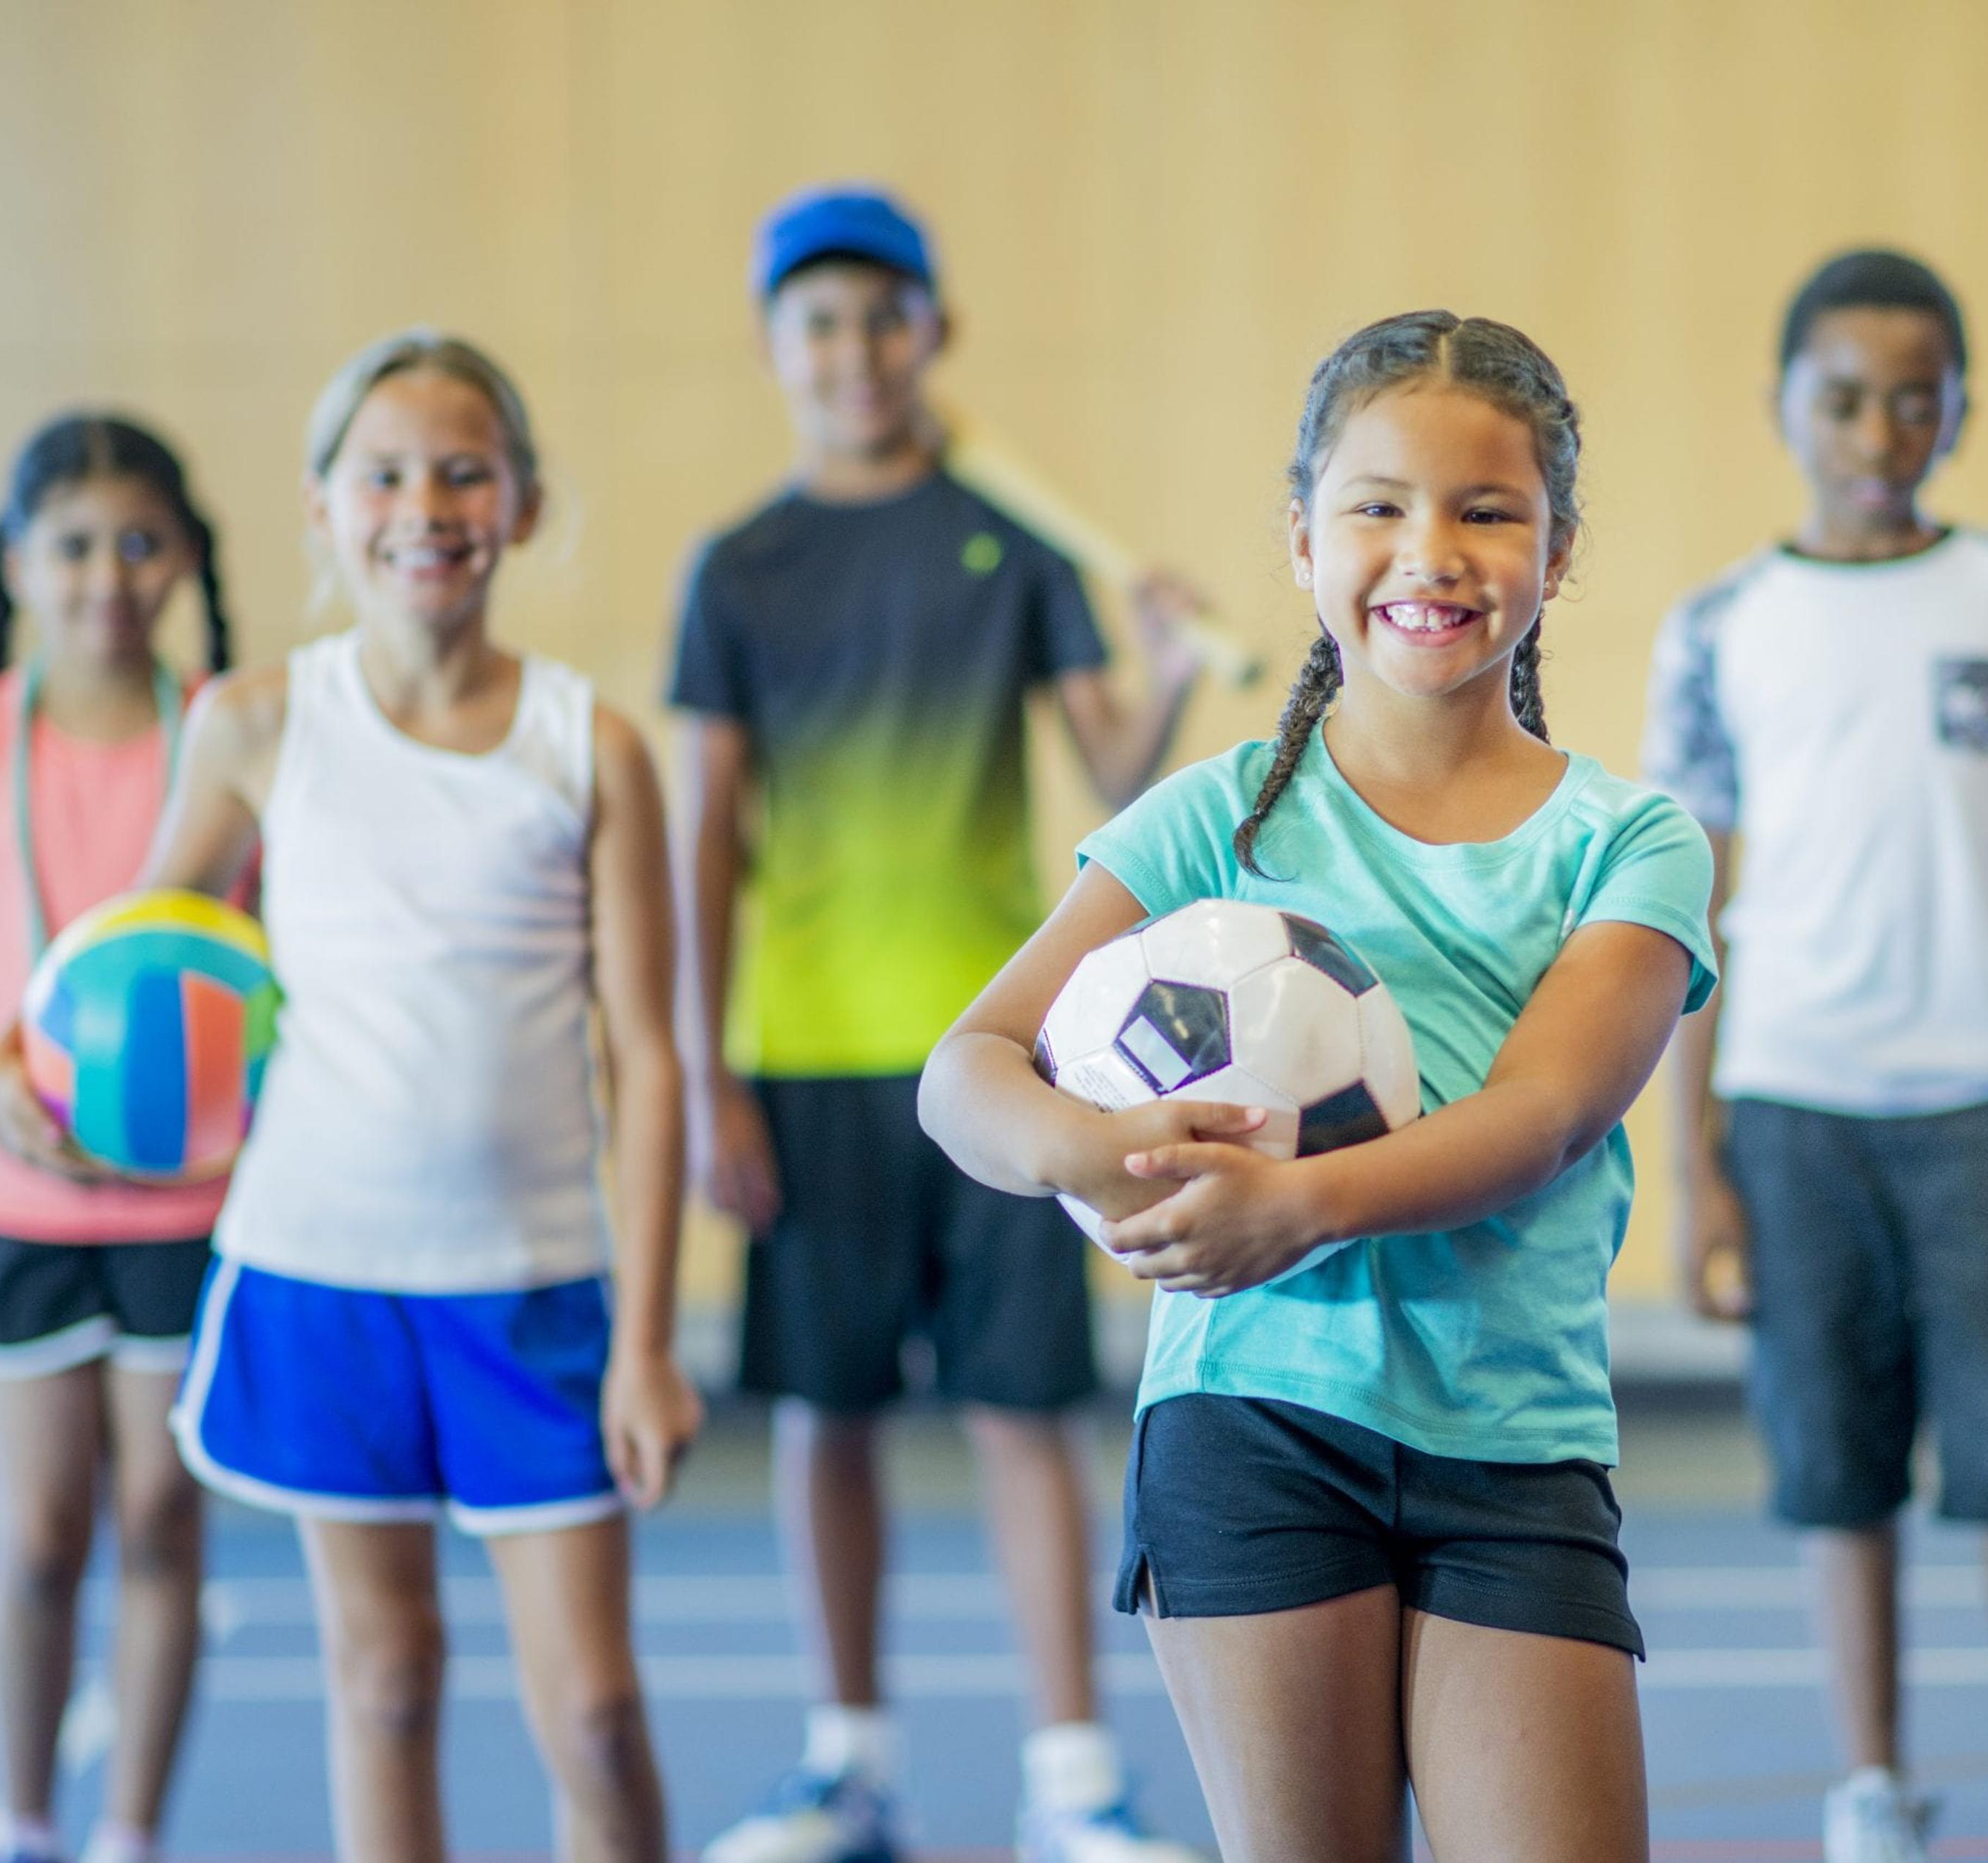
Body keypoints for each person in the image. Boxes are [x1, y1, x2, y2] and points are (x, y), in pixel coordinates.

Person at [919, 310, 1720, 1863]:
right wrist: (1096, 1149)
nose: (1432, 550)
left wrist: (1299, 1205)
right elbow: (966, 1073)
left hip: (1513, 1441)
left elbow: (1543, 1117)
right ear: (1302, 542)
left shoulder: (1631, 844)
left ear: (1557, 556)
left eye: (1489, 511)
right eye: (1379, 506)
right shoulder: (1208, 821)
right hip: (1253, 1425)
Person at [27, 332, 704, 1861]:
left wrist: (650, 1341)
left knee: (592, 1709)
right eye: (383, 473)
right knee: (384, 1679)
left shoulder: (587, 747)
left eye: (466, 469)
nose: (426, 503)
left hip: (533, 1290)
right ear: (323, 512)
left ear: (523, 503)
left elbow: (647, 1059)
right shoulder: (259, 722)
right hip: (317, 1271)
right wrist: (29, 1049)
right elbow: (136, 947)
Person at [678, 185, 1207, 1863]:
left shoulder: (1018, 547)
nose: (853, 354)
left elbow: (1119, 779)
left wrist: (1173, 664)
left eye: (882, 320)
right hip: (813, 1059)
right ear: (779, 350)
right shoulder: (741, 569)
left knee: (1021, 1410)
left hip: (1005, 1063)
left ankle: (1073, 1777)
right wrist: (704, 1080)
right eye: (818, 325)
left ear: (935, 336)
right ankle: (849, 1761)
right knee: (827, 1413)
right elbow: (706, 838)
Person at [1641, 250, 1988, 1863]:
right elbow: (1692, 913)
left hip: (1985, 1100)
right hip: (1792, 1109)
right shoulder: (1720, 626)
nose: (1882, 430)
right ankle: (1873, 1792)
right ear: (1784, 406)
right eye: (1846, 398)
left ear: (1958, 409)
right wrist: (1697, 1181)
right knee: (1836, 1478)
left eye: (1917, 399)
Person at [0, 414, 233, 1863]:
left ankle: (129, 1833)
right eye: (74, 544)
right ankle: (20, 1823)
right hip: (21, 1205)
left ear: (189, 556)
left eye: (141, 542)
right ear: (19, 561)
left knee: (160, 1519)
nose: (108, 574)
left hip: (192, 1203)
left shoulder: (227, 730)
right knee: (37, 1535)